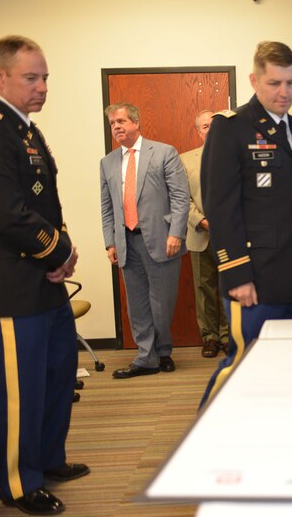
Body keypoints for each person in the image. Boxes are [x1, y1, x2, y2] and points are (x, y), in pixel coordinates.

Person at [0, 35, 89, 515]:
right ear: (0, 76)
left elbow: (44, 206)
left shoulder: (26, 131)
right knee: (21, 391)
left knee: (56, 377)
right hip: (10, 288)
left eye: (45, 77)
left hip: (42, 285)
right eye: (31, 78)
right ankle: (17, 482)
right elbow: (6, 215)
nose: (42, 87)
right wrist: (59, 253)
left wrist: (63, 251)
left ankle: (48, 459)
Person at [199, 41, 292, 405]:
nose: (284, 92)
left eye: (290, 83)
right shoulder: (231, 128)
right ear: (254, 80)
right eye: (274, 83)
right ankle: (204, 439)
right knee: (244, 364)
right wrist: (237, 273)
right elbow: (220, 206)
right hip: (256, 278)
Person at [100, 103, 190, 379]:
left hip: (162, 240)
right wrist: (110, 242)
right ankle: (145, 357)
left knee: (161, 303)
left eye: (121, 121)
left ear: (136, 123)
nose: (116, 126)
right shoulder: (108, 162)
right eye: (113, 123)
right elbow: (106, 206)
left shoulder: (164, 152)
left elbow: (180, 197)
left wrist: (176, 232)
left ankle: (163, 351)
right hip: (126, 242)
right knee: (137, 305)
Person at [180, 110, 230, 358]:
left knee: (229, 287)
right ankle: (209, 338)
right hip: (200, 233)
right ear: (198, 131)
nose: (209, 130)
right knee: (204, 289)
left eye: (213, 125)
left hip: (230, 235)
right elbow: (181, 199)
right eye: (204, 127)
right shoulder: (185, 160)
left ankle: (229, 336)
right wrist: (202, 220)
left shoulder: (235, 157)